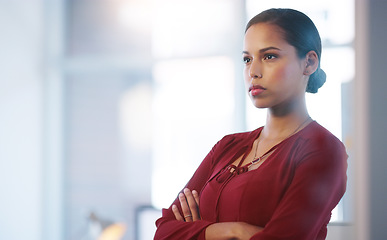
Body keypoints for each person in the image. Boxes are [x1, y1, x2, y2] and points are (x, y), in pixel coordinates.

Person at [154, 8, 347, 240]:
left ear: (309, 62)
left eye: (269, 56)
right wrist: (234, 231)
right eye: (247, 59)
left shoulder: (324, 150)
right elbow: (164, 232)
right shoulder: (228, 146)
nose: (253, 72)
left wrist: (198, 232)